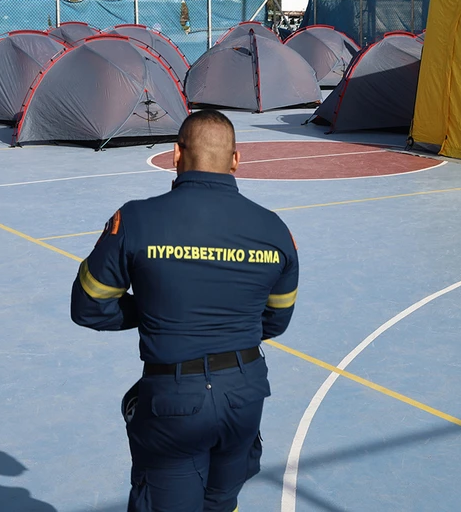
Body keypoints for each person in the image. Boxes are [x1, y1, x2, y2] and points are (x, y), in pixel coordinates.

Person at [71, 109, 299, 512]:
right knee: (222, 502)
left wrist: (157, 311)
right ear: (235, 159)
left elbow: (89, 305)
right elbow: (276, 320)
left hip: (175, 399)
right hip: (245, 394)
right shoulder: (275, 230)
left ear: (176, 155)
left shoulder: (137, 219)